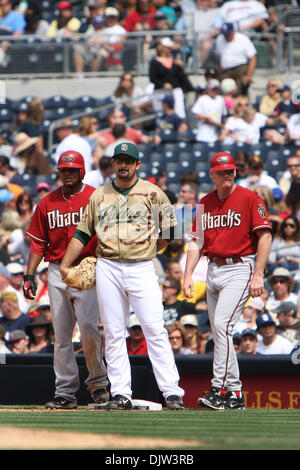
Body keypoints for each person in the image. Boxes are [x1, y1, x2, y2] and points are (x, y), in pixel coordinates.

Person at [59, 142, 185, 410]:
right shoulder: (99, 195)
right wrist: (65, 264)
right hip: (108, 265)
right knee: (114, 332)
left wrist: (151, 249)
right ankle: (121, 393)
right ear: (113, 164)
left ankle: (172, 392)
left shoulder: (154, 193)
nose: (124, 164)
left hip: (141, 266)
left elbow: (173, 233)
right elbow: (83, 232)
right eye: (119, 160)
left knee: (154, 328)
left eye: (129, 160)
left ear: (138, 164)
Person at [183, 151, 272, 410]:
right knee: (220, 331)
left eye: (230, 171)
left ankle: (218, 389)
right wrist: (188, 274)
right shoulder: (204, 201)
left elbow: (264, 236)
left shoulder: (249, 197)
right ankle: (235, 394)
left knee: (221, 326)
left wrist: (258, 273)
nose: (227, 175)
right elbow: (196, 242)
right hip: (212, 269)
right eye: (222, 172)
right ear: (212, 174)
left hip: (239, 267)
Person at [23, 150, 109, 409]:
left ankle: (98, 383)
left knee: (89, 330)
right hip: (57, 269)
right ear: (59, 172)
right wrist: (29, 274)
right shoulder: (47, 202)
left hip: (87, 268)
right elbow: (38, 243)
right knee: (60, 336)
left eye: (73, 170)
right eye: (64, 170)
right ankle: (65, 392)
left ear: (82, 171)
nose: (68, 174)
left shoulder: (96, 196)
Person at [149, 37, 194, 119]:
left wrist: (180, 67)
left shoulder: (174, 62)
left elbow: (180, 77)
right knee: (160, 114)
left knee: (179, 111)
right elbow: (153, 78)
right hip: (161, 91)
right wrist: (163, 84)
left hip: (175, 91)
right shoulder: (154, 62)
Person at [215, 22, 257, 96]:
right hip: (226, 70)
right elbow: (219, 58)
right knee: (224, 90)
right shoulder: (220, 40)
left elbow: (252, 58)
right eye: (225, 34)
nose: (226, 36)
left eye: (228, 34)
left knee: (239, 90)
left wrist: (248, 75)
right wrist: (219, 74)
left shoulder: (243, 39)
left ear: (233, 31)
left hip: (240, 68)